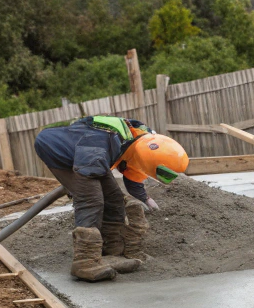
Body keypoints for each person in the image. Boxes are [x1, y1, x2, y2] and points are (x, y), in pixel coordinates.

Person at [33, 116, 190, 282]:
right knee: (92, 199)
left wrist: (146, 198)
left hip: (83, 150)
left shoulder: (135, 141)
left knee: (114, 199)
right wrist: (76, 186)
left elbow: (133, 177)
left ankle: (112, 252)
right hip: (56, 148)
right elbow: (89, 172)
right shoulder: (103, 143)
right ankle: (85, 262)